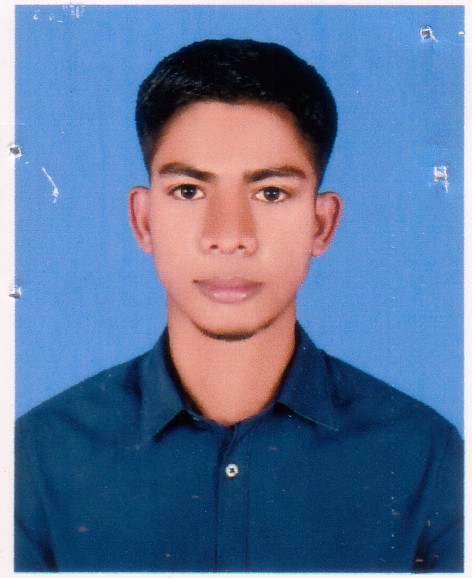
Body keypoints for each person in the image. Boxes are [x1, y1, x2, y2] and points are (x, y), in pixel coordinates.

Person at [15, 38, 463, 573]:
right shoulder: (39, 456)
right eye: (188, 190)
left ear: (321, 224)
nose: (229, 236)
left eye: (270, 193)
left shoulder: (423, 455)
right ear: (143, 220)